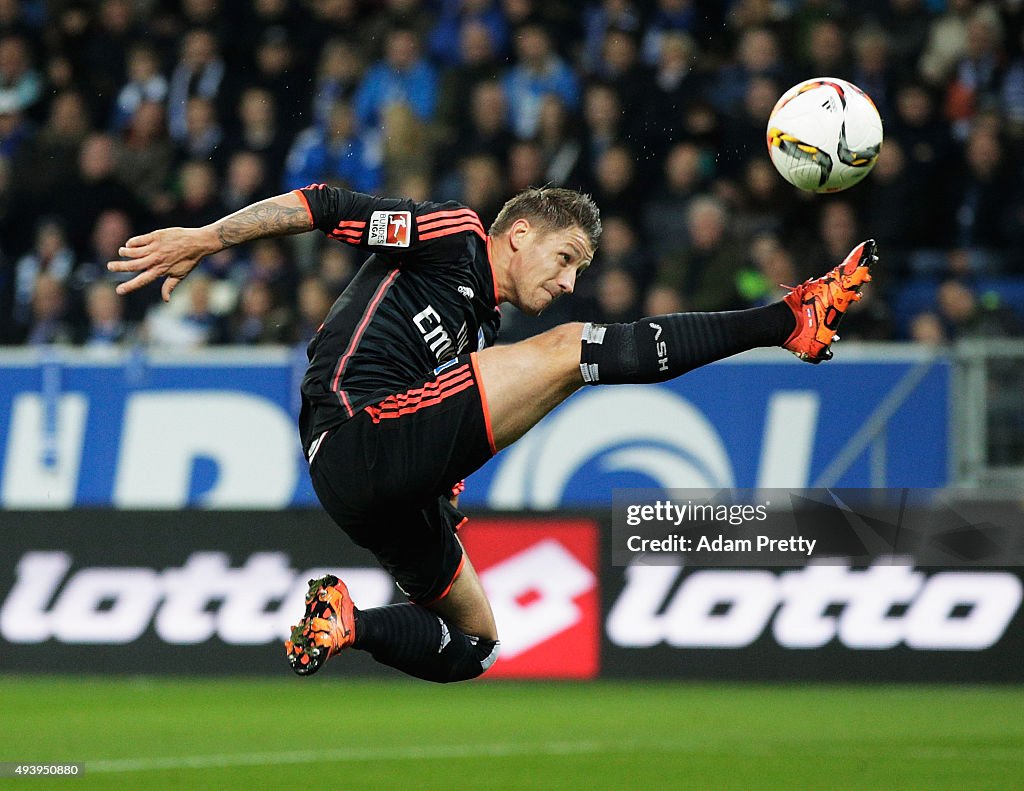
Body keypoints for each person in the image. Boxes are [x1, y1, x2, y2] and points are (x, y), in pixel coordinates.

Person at [107, 184, 875, 682]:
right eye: (566, 256)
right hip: (354, 432)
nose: (571, 280)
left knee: (474, 645)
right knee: (577, 350)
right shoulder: (457, 234)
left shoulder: (479, 322)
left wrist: (436, 487)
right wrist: (208, 236)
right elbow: (322, 202)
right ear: (520, 235)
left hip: (375, 488)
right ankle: (789, 318)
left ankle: (346, 622)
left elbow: (439, 384)